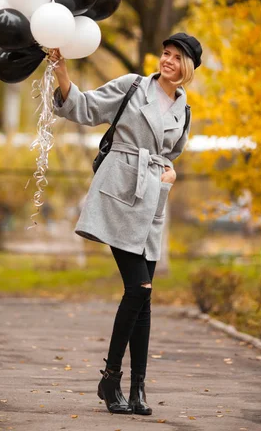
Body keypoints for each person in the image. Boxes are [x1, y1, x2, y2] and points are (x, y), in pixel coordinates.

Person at [50, 32, 202, 416]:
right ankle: (110, 378)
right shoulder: (133, 86)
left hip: (153, 203)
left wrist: (170, 172)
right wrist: (61, 70)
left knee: (145, 299)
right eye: (164, 52)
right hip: (120, 193)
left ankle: (137, 390)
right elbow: (82, 108)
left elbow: (173, 152)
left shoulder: (185, 108)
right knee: (139, 288)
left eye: (175, 56)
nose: (166, 60)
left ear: (188, 67)